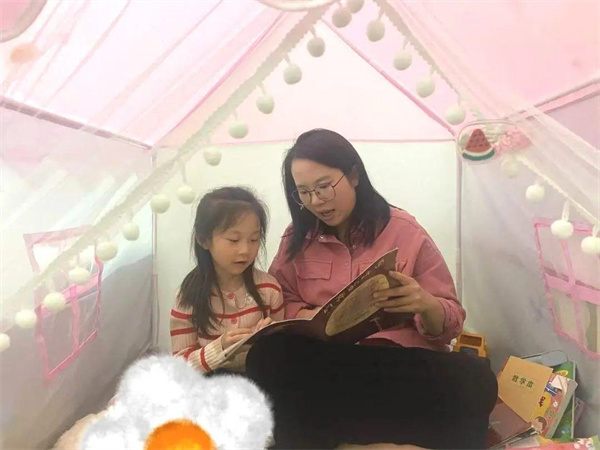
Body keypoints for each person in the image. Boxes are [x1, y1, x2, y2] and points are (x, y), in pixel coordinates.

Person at [244, 129, 498, 449]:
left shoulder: (405, 231)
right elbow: (279, 299)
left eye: (324, 186)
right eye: (303, 192)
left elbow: (452, 323)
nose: (316, 201)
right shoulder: (296, 238)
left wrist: (424, 303)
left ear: (353, 175)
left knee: (477, 378)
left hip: (394, 367)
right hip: (332, 366)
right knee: (267, 356)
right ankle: (383, 435)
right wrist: (308, 316)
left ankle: (339, 436)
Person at [170, 187, 284, 374]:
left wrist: (270, 337)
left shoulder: (269, 289)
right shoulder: (188, 296)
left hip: (259, 379)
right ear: (204, 240)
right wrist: (219, 349)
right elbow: (179, 365)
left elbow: (284, 349)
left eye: (254, 239)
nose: (245, 250)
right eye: (233, 240)